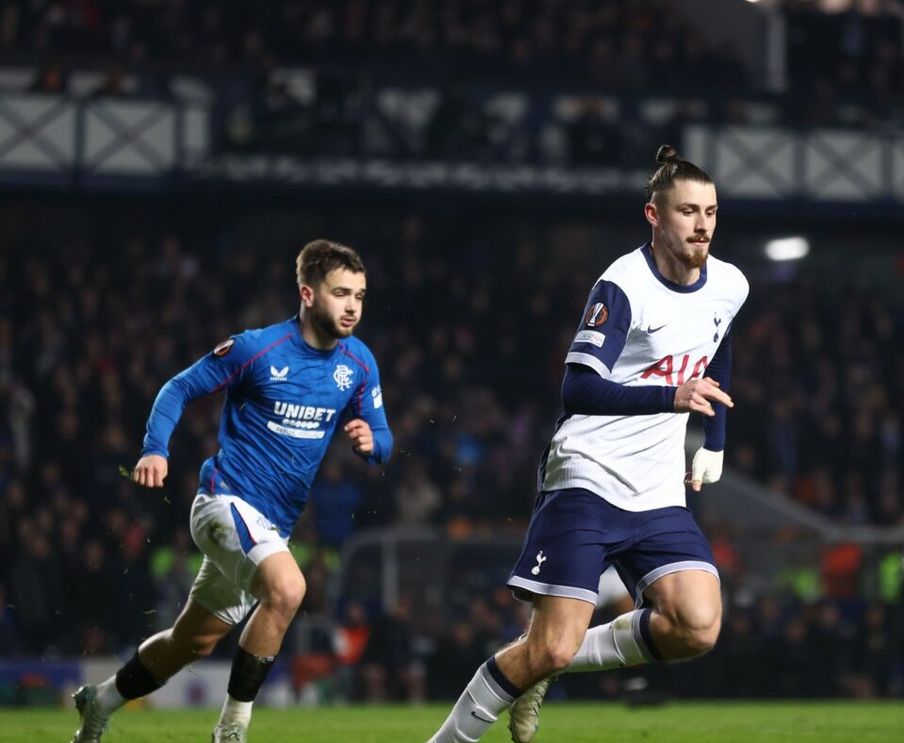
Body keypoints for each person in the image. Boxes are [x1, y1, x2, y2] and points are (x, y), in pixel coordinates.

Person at [422, 145, 748, 743]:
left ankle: (550, 661)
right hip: (588, 477)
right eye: (687, 212)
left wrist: (714, 441)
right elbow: (577, 388)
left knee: (698, 625)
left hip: (656, 490)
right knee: (546, 649)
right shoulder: (622, 286)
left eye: (711, 211)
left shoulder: (729, 283)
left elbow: (718, 343)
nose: (702, 225)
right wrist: (672, 397)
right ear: (654, 216)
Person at [71, 240, 393, 743]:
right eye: (340, 293)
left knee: (190, 642)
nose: (352, 306)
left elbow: (385, 437)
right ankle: (231, 729)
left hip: (273, 527)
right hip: (223, 503)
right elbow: (178, 387)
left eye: (360, 295)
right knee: (289, 589)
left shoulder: (360, 363)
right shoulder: (257, 349)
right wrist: (156, 448)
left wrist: (373, 444)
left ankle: (102, 699)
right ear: (307, 294)